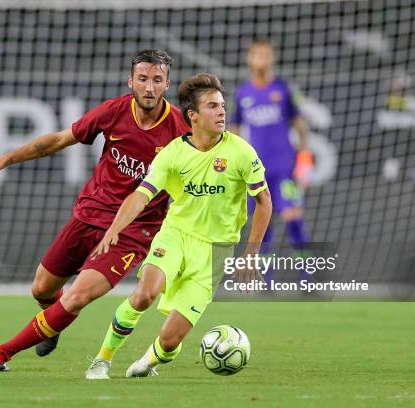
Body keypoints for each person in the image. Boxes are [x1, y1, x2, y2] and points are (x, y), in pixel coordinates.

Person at [0, 49, 190, 371]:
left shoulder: (180, 131)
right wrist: (6, 159)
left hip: (132, 231)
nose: (149, 87)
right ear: (131, 81)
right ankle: (52, 324)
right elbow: (57, 140)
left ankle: (2, 353)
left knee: (77, 296)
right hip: (88, 215)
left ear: (167, 84)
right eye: (142, 79)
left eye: (157, 80)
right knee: (42, 289)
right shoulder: (113, 111)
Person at [84, 73, 272, 379]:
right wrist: (114, 228)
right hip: (176, 235)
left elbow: (264, 202)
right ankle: (102, 360)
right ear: (193, 116)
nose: (222, 111)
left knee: (170, 340)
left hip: (215, 251)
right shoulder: (173, 153)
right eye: (212, 106)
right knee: (146, 293)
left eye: (222, 105)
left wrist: (251, 252)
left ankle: (148, 363)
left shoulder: (241, 152)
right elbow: (141, 194)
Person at [230, 38, 313, 283]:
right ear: (249, 59)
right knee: (263, 226)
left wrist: (305, 160)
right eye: (257, 54)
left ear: (272, 58)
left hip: (285, 169)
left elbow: (300, 125)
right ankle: (266, 280)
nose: (261, 60)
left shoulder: (283, 89)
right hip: (257, 173)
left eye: (266, 55)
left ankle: (308, 277)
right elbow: (234, 130)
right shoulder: (243, 93)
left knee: (293, 219)